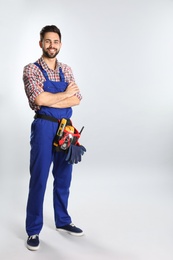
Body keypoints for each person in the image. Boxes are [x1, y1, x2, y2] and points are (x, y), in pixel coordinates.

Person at [23, 25, 85, 251]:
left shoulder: (66, 69)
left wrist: (57, 97)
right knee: (39, 177)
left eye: (55, 41)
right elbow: (38, 99)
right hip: (43, 127)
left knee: (64, 175)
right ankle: (33, 230)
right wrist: (65, 94)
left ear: (60, 44)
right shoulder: (31, 69)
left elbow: (77, 99)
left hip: (66, 128)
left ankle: (63, 220)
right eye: (47, 41)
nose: (52, 45)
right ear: (41, 43)